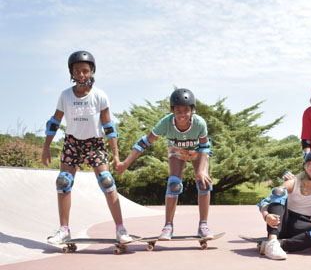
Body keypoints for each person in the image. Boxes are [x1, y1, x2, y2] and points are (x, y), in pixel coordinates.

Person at [43, 50, 134, 244]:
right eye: (77, 71)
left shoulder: (100, 95)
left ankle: (121, 229)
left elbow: (109, 127)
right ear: (71, 73)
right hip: (72, 143)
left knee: (107, 182)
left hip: (95, 144)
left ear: (92, 71)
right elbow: (54, 122)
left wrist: (116, 156)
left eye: (85, 70)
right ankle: (64, 230)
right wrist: (46, 147)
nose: (81, 75)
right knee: (63, 183)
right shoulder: (65, 95)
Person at [115, 88, 214, 240]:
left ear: (192, 110)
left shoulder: (200, 123)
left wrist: (201, 171)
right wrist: (126, 163)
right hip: (176, 151)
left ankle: (203, 226)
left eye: (186, 110)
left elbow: (204, 147)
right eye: (178, 110)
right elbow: (144, 142)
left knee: (204, 183)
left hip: (198, 152)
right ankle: (168, 226)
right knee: (174, 185)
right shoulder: (165, 123)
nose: (182, 115)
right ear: (173, 111)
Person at [257, 151, 311, 260]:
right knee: (279, 191)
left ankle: (279, 246)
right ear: (305, 165)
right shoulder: (293, 183)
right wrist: (266, 215)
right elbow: (269, 200)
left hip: (301, 224)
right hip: (281, 221)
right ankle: (272, 242)